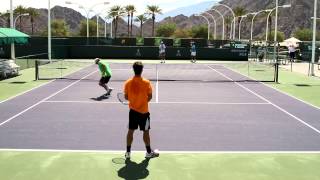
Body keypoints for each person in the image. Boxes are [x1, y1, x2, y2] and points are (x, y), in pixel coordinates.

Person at [124, 61, 159, 159]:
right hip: (144, 113)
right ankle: (148, 153)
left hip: (132, 112)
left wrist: (134, 101)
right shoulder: (146, 82)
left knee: (130, 131)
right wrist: (143, 102)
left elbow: (126, 97)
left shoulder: (127, 83)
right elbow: (150, 97)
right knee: (146, 132)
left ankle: (128, 153)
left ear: (133, 70)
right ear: (142, 70)